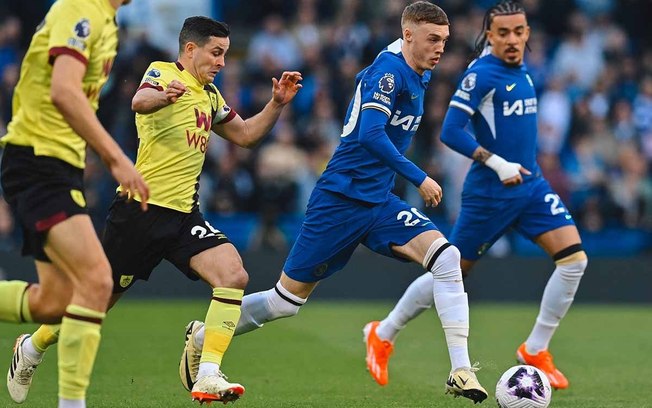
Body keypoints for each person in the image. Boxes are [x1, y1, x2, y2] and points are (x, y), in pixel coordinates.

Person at [178, 2, 488, 404]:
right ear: (408, 35)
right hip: (340, 199)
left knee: (447, 258)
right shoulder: (390, 74)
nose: (440, 48)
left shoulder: (414, 69)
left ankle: (461, 369)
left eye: (444, 40)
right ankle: (203, 334)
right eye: (433, 39)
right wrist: (419, 176)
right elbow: (370, 136)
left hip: (378, 201)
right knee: (283, 303)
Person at [6, 16, 303, 405]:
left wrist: (276, 105)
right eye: (216, 53)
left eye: (226, 55)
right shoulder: (163, 73)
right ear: (191, 49)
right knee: (93, 303)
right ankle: (32, 346)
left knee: (233, 273)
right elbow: (139, 101)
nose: (222, 63)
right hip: (139, 212)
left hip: (184, 215)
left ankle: (208, 373)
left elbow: (245, 135)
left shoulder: (211, 96)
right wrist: (165, 97)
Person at [363, 0, 587, 390]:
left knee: (574, 261)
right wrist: (497, 163)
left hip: (531, 186)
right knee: (450, 274)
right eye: (503, 33)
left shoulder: (524, 69)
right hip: (490, 193)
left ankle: (535, 348)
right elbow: (450, 131)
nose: (513, 39)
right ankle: (383, 333)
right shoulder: (481, 74)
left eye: (519, 31)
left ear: (528, 33)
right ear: (489, 35)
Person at [0, 0, 149, 407]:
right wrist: (115, 157)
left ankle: (30, 353)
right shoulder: (79, 7)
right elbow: (64, 91)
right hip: (37, 159)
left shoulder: (107, 19)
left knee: (55, 301)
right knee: (98, 280)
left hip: (59, 166)